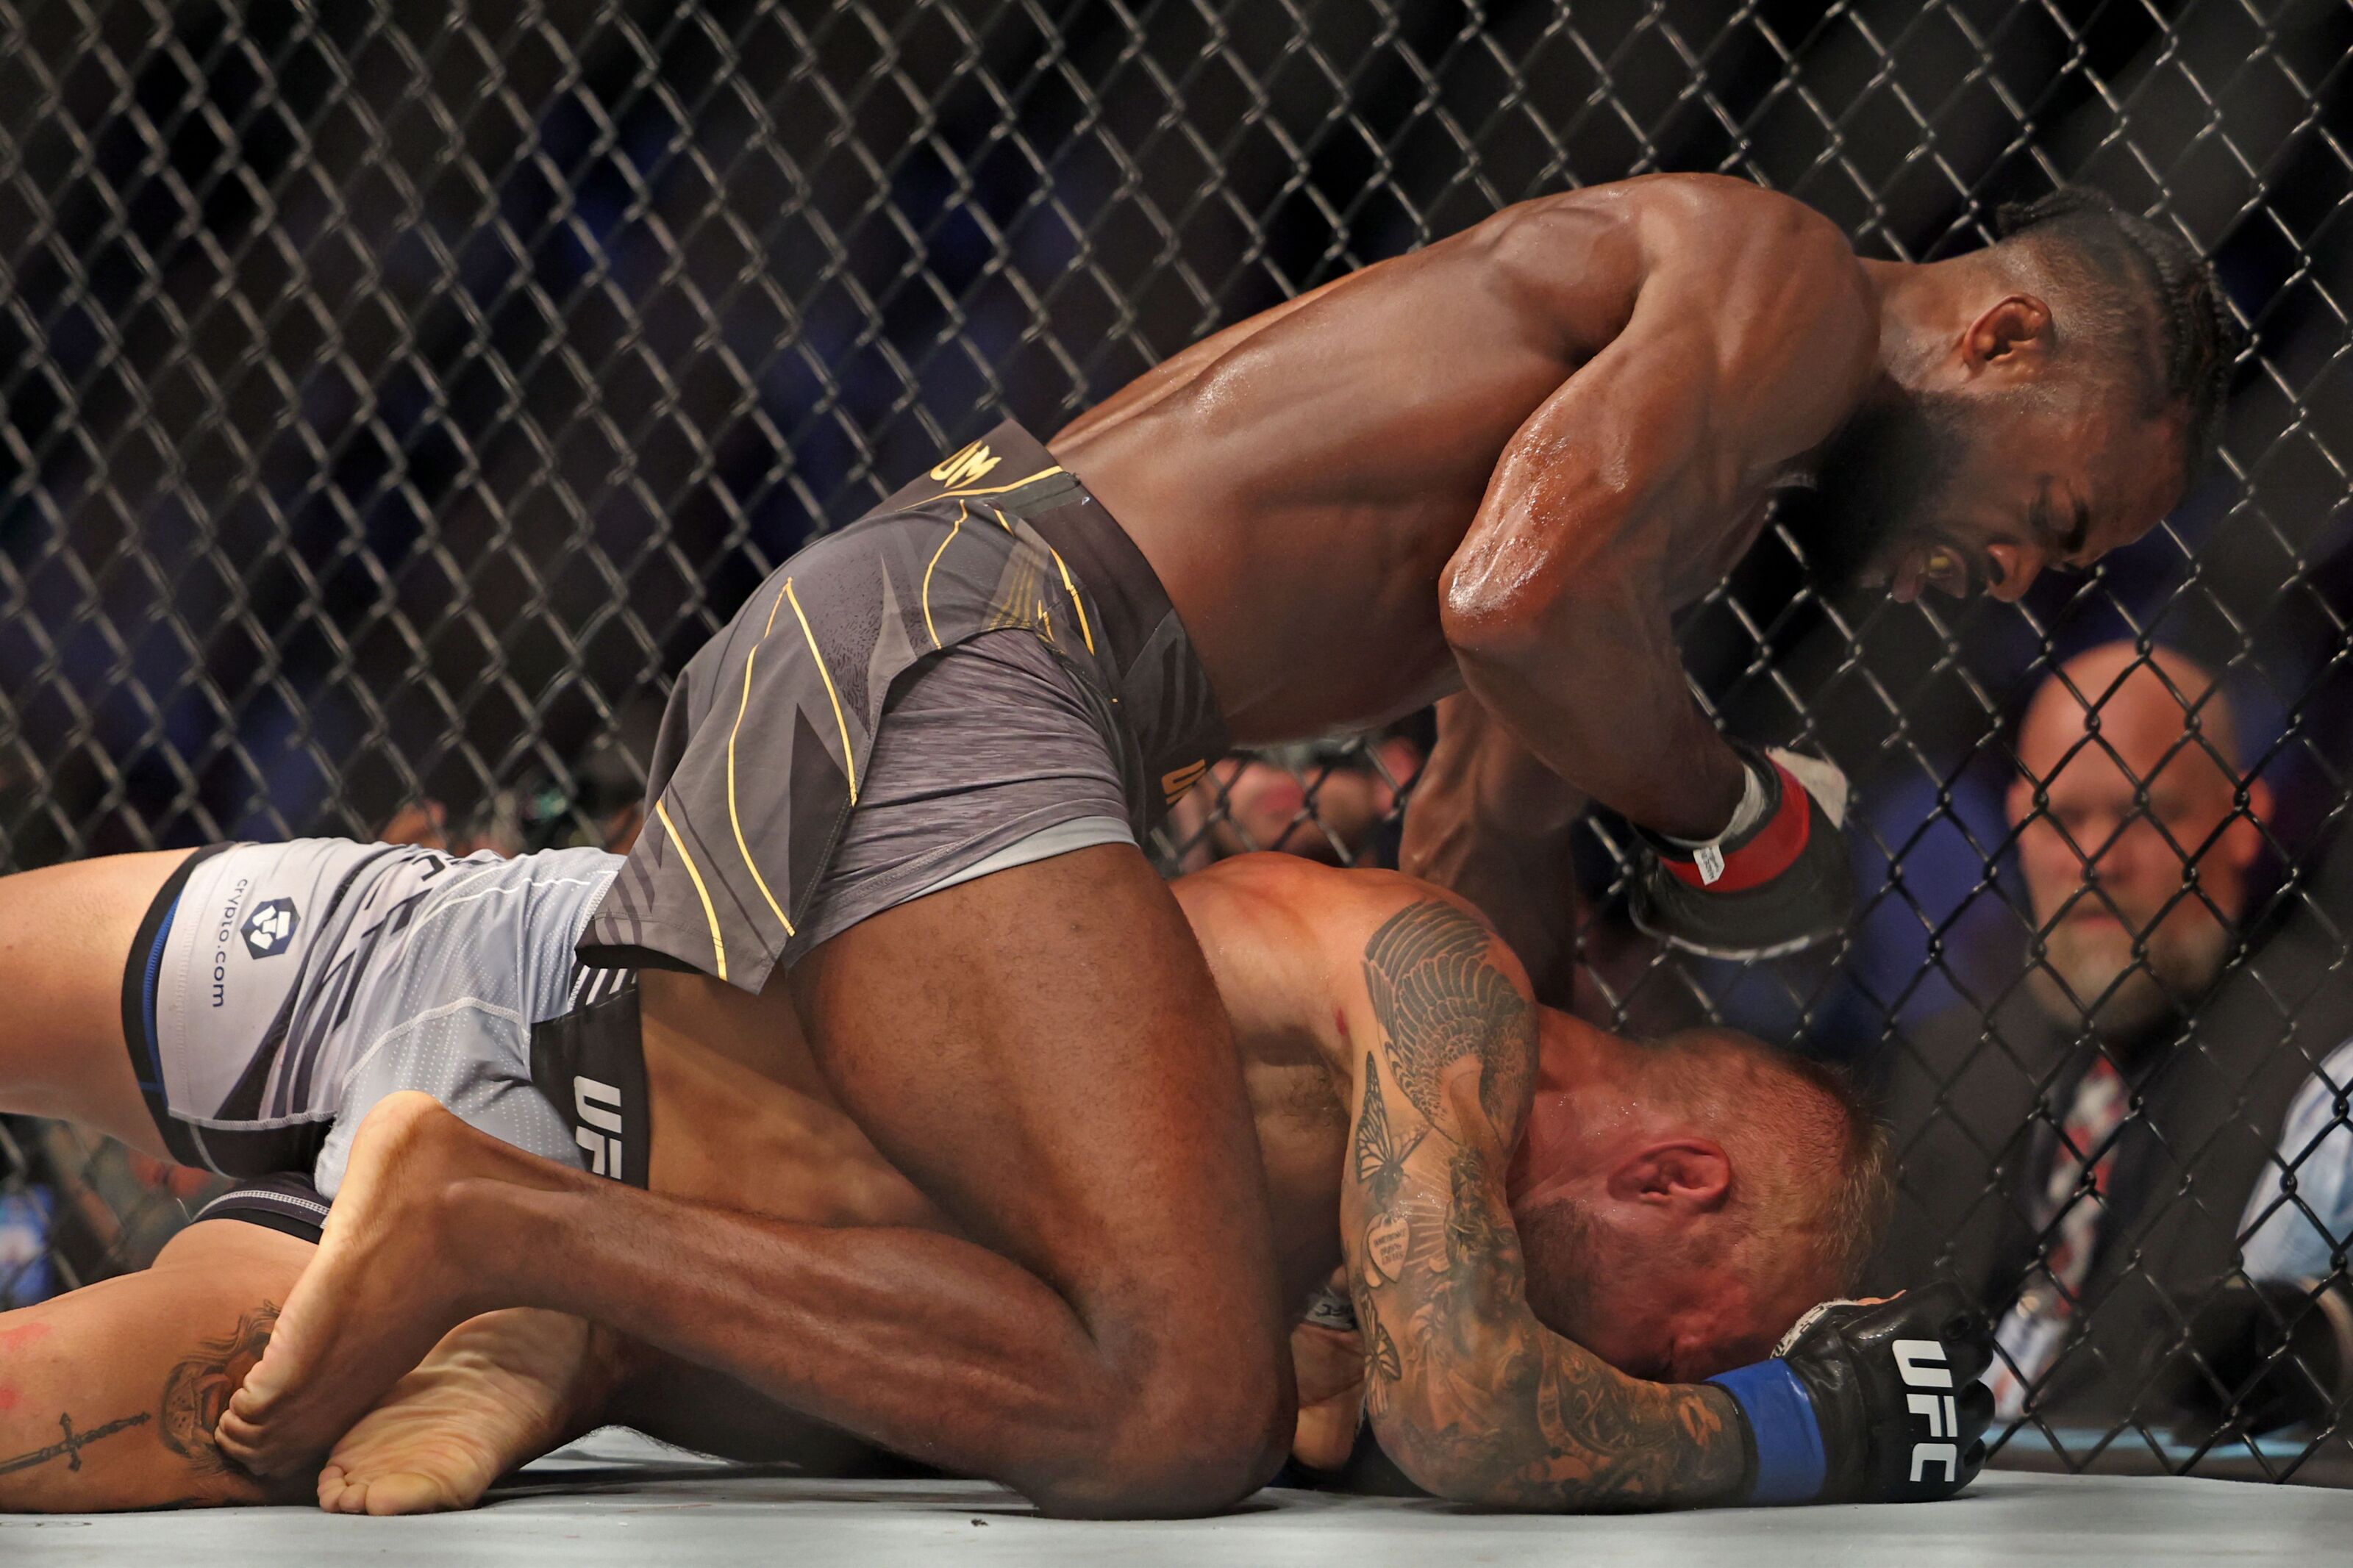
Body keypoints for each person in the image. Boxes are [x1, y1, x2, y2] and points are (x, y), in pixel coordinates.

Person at [217, 175, 2221, 1511]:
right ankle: (501, 1227)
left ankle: (523, 1286)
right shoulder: (1782, 284)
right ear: (1998, 342)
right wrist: (1727, 810)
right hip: (981, 651)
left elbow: (1472, 841)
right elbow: (1515, 607)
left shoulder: (1681, 484)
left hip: (945, 643)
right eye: (2056, 518)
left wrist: (1443, 1205)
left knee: (1034, 1305)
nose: (2018, 574)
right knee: (1172, 1397)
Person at [0, 837, 1979, 1512]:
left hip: (530, 1172)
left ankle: (527, 1298)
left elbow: (1401, 1395)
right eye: (1691, 1346)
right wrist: (1790, 1433)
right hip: (502, 959)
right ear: (1679, 1181)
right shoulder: (1419, 975)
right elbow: (1480, 1407)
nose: (1643, 1379)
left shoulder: (1345, 1298)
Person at [1863, 642, 2341, 1426]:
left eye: (2144, 813)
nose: (2094, 860)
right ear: (2018, 823)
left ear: (2241, 818)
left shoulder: (2326, 1054)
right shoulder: (1948, 1061)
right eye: (2061, 818)